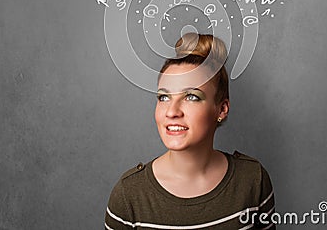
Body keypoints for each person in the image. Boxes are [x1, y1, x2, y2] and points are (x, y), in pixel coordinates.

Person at [105, 33, 276, 229]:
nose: (172, 111)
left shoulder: (253, 180)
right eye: (164, 97)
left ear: (221, 109)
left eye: (192, 97)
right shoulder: (129, 195)